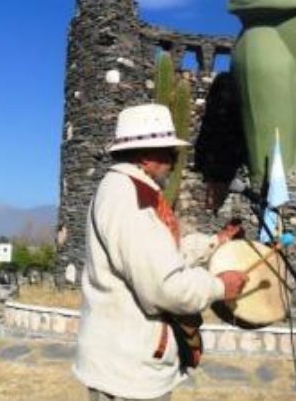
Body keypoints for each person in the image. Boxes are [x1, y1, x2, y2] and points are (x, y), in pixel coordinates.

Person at [74, 104, 249, 401]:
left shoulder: (126, 190)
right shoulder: (131, 199)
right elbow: (165, 286)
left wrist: (214, 242)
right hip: (127, 374)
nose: (173, 161)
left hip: (124, 365)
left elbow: (161, 254)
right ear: (145, 156)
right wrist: (221, 286)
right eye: (169, 153)